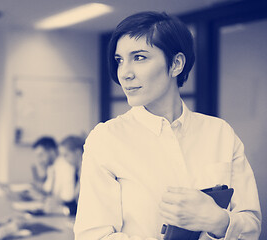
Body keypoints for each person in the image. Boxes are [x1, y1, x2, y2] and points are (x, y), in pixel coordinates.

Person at [74, 11, 261, 240]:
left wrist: (217, 221)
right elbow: (92, 235)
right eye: (119, 60)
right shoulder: (106, 139)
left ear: (176, 64)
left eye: (139, 57)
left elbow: (252, 225)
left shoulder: (220, 133)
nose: (125, 73)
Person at [43, 135, 84, 216]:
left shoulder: (87, 172)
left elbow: (85, 206)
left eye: (66, 155)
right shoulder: (76, 171)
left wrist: (64, 210)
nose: (65, 160)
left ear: (77, 152)